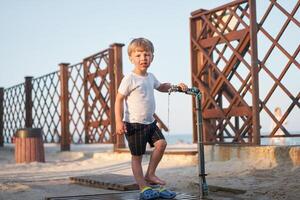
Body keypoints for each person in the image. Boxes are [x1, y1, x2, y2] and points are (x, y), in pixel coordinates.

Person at [115, 37, 188, 200]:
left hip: (150, 123)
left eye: (147, 55)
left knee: (161, 144)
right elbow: (118, 99)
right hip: (134, 125)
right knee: (137, 157)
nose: (143, 58)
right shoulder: (129, 79)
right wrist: (119, 121)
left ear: (152, 57)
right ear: (131, 58)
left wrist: (176, 87)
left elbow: (161, 87)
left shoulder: (151, 76)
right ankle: (143, 187)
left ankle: (150, 174)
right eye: (139, 55)